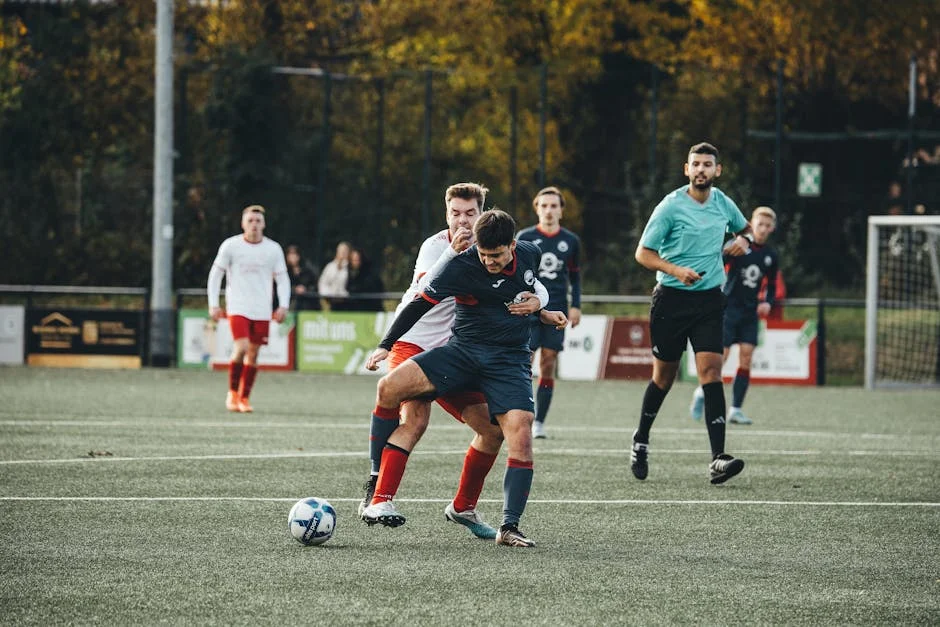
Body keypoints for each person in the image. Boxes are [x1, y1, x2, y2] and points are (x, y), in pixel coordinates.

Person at [360, 209, 567, 547]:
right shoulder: (461, 264)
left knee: (518, 431)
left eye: (496, 255)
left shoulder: (531, 252)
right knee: (389, 387)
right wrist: (386, 344)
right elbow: (418, 304)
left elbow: (519, 291)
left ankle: (507, 526)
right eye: (484, 255)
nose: (488, 262)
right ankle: (376, 481)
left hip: (508, 360)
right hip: (462, 353)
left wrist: (540, 309)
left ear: (513, 246)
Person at [356, 182, 508, 541]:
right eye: (455, 213)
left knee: (492, 430)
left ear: (482, 213)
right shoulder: (436, 246)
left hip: (455, 353)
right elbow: (430, 284)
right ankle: (379, 495)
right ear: (446, 214)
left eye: (470, 213)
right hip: (412, 344)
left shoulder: (489, 251)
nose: (462, 221)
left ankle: (463, 507)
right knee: (417, 420)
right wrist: (453, 254)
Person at [631, 142, 750, 485]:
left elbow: (745, 231)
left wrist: (745, 242)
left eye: (707, 164)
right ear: (687, 169)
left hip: (710, 299)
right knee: (664, 378)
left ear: (717, 170)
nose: (701, 169)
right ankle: (641, 439)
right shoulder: (670, 206)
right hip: (671, 299)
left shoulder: (723, 202)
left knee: (711, 371)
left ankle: (718, 458)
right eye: (695, 164)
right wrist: (675, 270)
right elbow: (643, 253)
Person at [689, 206, 780, 425]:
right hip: (729, 309)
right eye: (760, 224)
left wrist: (767, 302)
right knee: (722, 357)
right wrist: (729, 248)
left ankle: (735, 409)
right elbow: (718, 261)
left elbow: (772, 284)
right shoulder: (738, 246)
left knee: (747, 357)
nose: (763, 229)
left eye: (768, 226)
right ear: (752, 224)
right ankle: (701, 393)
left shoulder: (770, 256)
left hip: (750, 313)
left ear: (772, 228)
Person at [207, 204, 289, 413]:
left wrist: (283, 305)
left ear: (264, 224)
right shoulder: (231, 246)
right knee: (241, 347)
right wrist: (213, 303)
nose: (254, 225)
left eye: (258, 221)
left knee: (253, 354)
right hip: (238, 306)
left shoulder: (273, 249)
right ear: (243, 224)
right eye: (250, 221)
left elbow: (282, 279)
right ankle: (232, 393)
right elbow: (216, 275)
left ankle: (244, 397)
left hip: (262, 309)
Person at [516, 186, 583, 439]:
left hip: (558, 310)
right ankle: (520, 413)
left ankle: (539, 422)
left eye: (554, 206)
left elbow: (575, 277)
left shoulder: (571, 241)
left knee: (548, 363)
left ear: (561, 211)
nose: (549, 210)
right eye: (544, 206)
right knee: (524, 361)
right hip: (529, 310)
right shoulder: (525, 236)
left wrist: (576, 306)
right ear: (537, 209)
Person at [345, 248, 386, 312]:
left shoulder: (369, 274)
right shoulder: (348, 272)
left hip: (370, 309)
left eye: (357, 260)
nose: (355, 262)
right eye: (353, 260)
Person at [284, 244, 320, 311]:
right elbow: (282, 286)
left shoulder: (308, 270)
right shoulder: (284, 271)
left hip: (308, 303)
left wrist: (305, 289)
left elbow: (315, 285)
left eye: (294, 254)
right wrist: (295, 289)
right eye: (290, 254)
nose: (292, 257)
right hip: (291, 302)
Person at [317, 241, 350, 310]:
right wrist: (329, 295)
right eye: (341, 251)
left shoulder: (350, 268)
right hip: (329, 302)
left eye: (345, 251)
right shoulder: (330, 267)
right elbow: (322, 284)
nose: (343, 253)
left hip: (346, 303)